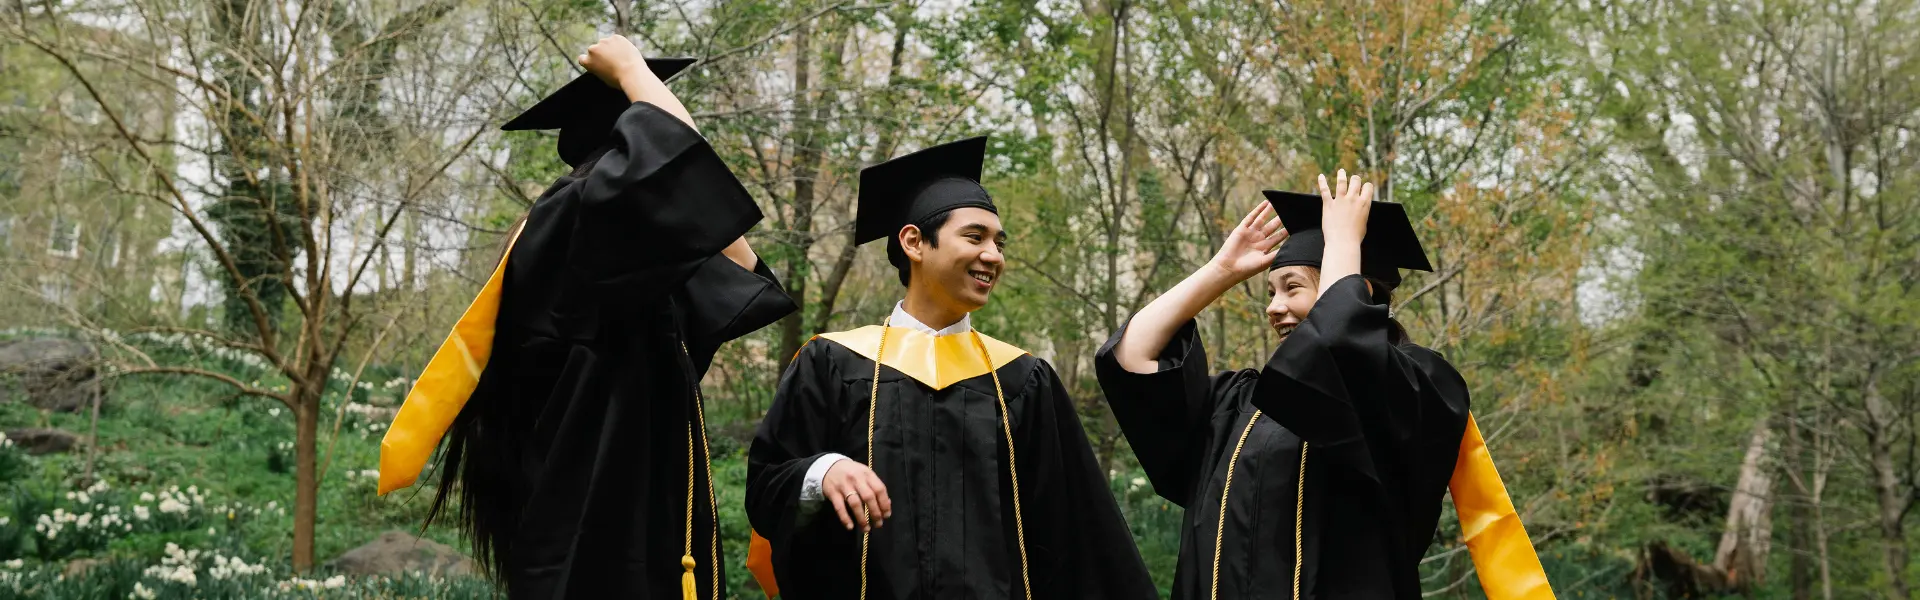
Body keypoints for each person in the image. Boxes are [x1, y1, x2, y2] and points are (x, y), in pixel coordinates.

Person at [376, 36, 797, 600]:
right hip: (594, 523)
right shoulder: (572, 220)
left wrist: (639, 87)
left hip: (647, 517)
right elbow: (682, 169)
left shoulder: (638, 263)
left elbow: (733, 252)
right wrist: (631, 72)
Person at [1095, 172, 1554, 599]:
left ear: (1361, 291)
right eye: (1271, 292)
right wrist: (1222, 270)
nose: (1273, 307)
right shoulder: (1235, 405)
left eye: (1292, 287)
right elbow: (1132, 356)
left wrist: (1343, 244)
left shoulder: (1416, 389)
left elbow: (1341, 346)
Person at [743, 137, 1158, 600]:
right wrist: (823, 471)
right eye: (975, 237)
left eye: (999, 243)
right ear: (914, 242)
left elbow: (1080, 532)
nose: (994, 256)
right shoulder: (833, 363)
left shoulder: (1021, 379)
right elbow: (765, 489)